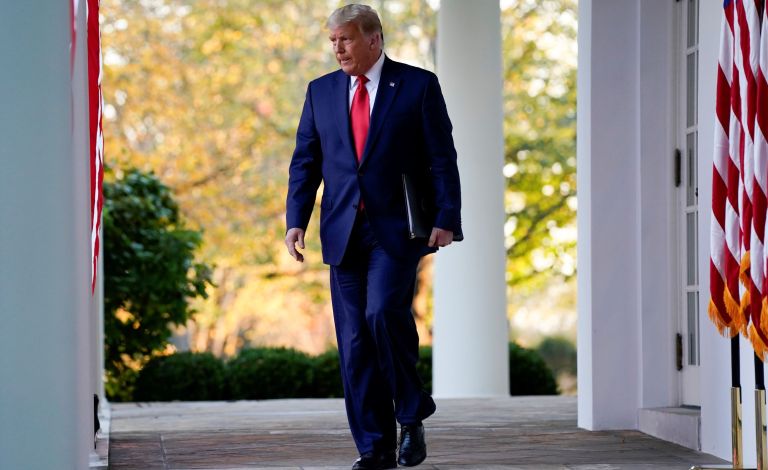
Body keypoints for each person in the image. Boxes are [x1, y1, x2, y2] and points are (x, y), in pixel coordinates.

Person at [285, 4, 462, 469]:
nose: (337, 48)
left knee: (383, 313)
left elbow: (442, 156)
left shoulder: (418, 85)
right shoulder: (320, 92)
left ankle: (411, 413)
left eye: (345, 39)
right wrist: (295, 219)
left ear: (374, 39)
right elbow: (306, 161)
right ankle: (375, 446)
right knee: (355, 341)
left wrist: (447, 216)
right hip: (342, 230)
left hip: (397, 230)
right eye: (333, 41)